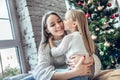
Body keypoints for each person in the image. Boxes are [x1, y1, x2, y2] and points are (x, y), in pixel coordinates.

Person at [32, 11, 101, 80]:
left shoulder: (70, 37)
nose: (58, 25)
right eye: (52, 25)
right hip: (65, 74)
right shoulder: (45, 46)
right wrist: (75, 72)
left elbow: (95, 58)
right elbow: (41, 73)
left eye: (59, 21)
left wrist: (89, 59)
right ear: (47, 30)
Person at [48, 9, 95, 80]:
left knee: (50, 74)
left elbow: (55, 53)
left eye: (66, 20)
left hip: (76, 74)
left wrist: (50, 42)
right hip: (86, 75)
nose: (63, 22)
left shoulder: (69, 37)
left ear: (74, 24)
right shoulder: (84, 37)